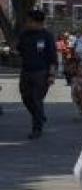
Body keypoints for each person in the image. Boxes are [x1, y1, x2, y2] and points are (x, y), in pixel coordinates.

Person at [15, 9, 57, 139]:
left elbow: (52, 58)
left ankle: (36, 128)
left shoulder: (47, 36)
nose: (27, 23)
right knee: (26, 98)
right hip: (26, 71)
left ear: (38, 22)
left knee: (36, 99)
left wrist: (51, 75)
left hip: (41, 73)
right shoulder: (24, 34)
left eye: (29, 21)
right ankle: (39, 115)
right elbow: (19, 50)